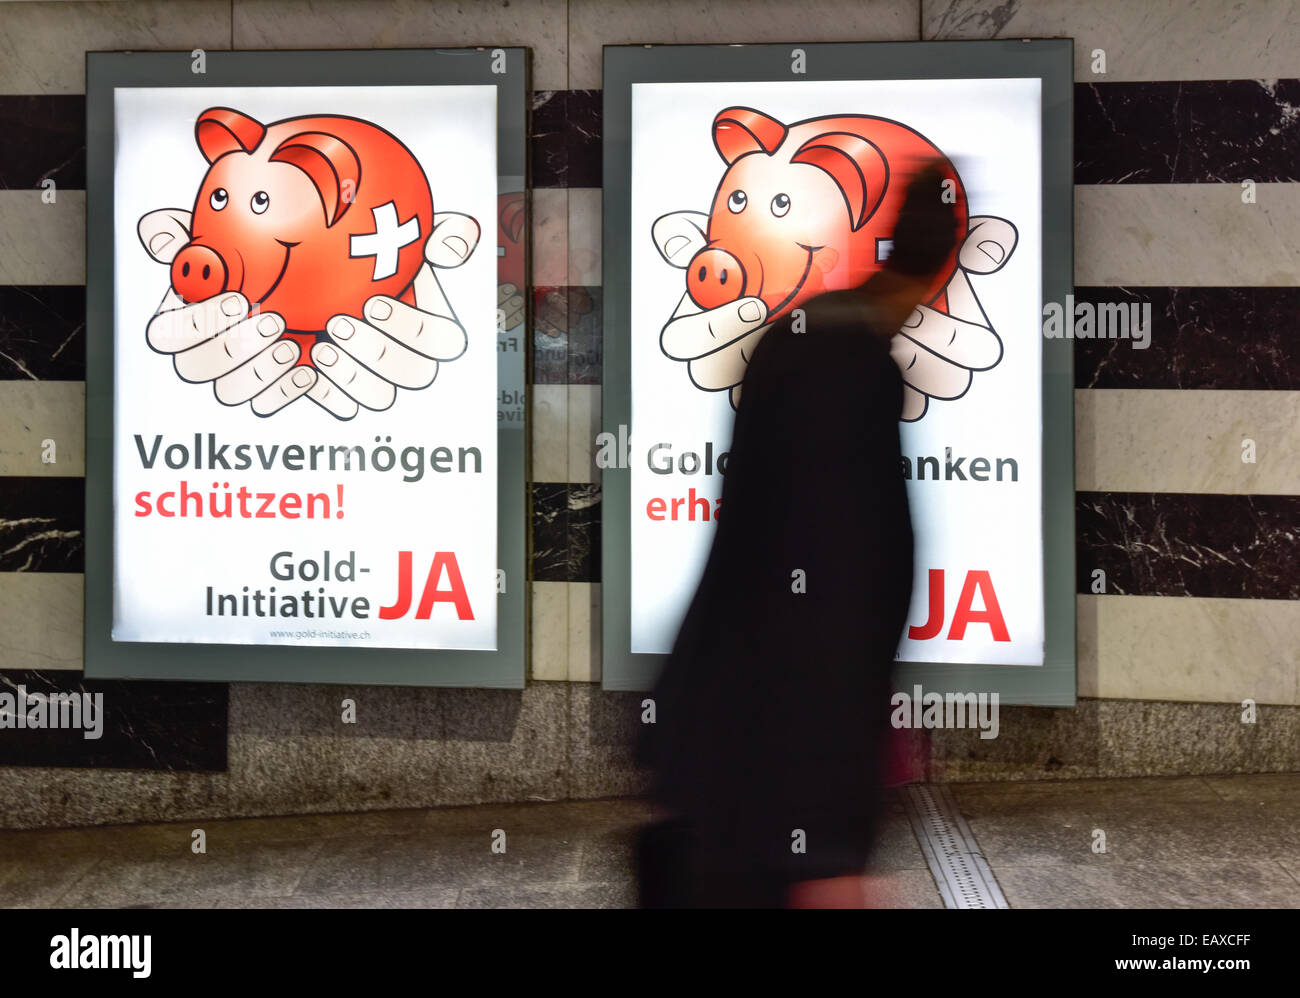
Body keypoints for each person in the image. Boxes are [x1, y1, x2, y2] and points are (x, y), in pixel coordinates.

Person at [636, 163, 963, 909]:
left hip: (714, 742)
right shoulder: (854, 371)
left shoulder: (801, 336)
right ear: (946, 260)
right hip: (776, 772)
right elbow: (840, 593)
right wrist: (825, 833)